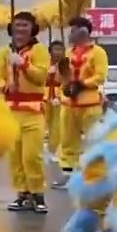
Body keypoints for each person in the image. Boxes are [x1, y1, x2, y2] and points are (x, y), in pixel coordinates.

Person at [0, 11, 51, 214]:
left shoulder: (40, 51)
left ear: (32, 29)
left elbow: (41, 77)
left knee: (31, 155)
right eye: (17, 25)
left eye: (25, 25)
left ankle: (37, 193)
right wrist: (3, 86)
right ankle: (22, 193)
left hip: (33, 110)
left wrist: (24, 64)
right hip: (10, 110)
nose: (20, 29)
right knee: (15, 157)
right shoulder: (3, 52)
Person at [58, 16, 108, 176]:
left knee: (94, 139)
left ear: (83, 32)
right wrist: (64, 83)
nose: (69, 34)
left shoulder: (98, 52)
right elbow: (63, 77)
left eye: (72, 30)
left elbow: (100, 75)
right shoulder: (67, 52)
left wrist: (82, 84)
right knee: (67, 140)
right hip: (69, 104)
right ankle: (68, 172)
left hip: (90, 104)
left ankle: (95, 172)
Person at [46, 40, 68, 189]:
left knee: (57, 126)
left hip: (59, 97)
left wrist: (59, 97)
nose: (58, 52)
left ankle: (54, 149)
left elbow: (66, 81)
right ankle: (46, 148)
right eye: (55, 49)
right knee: (44, 123)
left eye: (60, 49)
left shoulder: (66, 64)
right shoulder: (45, 62)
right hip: (45, 96)